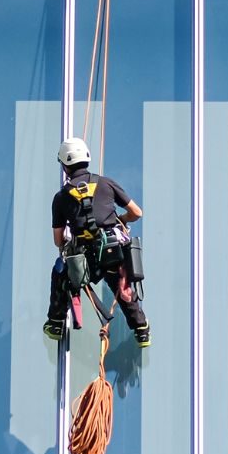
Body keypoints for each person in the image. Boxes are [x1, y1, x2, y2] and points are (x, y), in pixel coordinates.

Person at [44, 137, 150, 347]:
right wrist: (121, 220)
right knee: (123, 285)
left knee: (61, 275)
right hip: (112, 253)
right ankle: (141, 330)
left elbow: (58, 241)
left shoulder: (61, 197)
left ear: (65, 166)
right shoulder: (106, 183)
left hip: (84, 261)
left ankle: (55, 323)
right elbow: (137, 212)